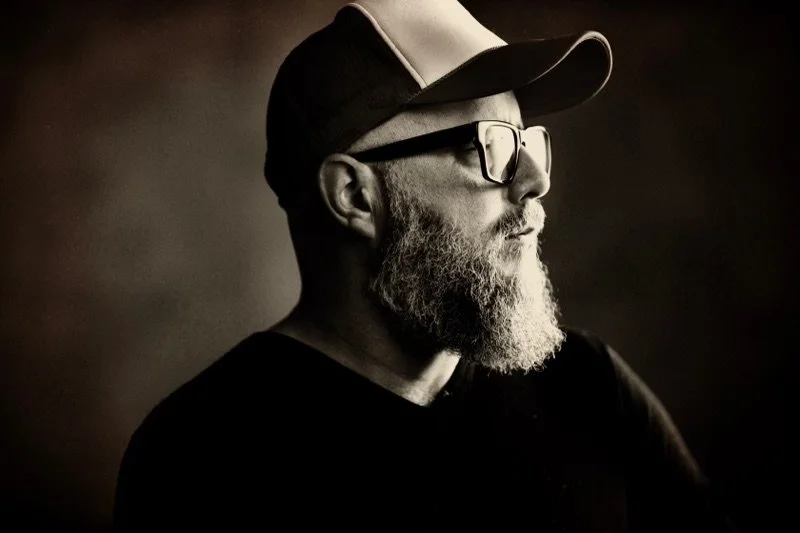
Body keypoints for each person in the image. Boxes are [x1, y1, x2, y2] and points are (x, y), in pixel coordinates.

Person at [114, 1, 738, 531]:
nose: (535, 181)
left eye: (527, 141)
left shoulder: (588, 387)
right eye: (489, 145)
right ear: (355, 196)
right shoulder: (200, 456)